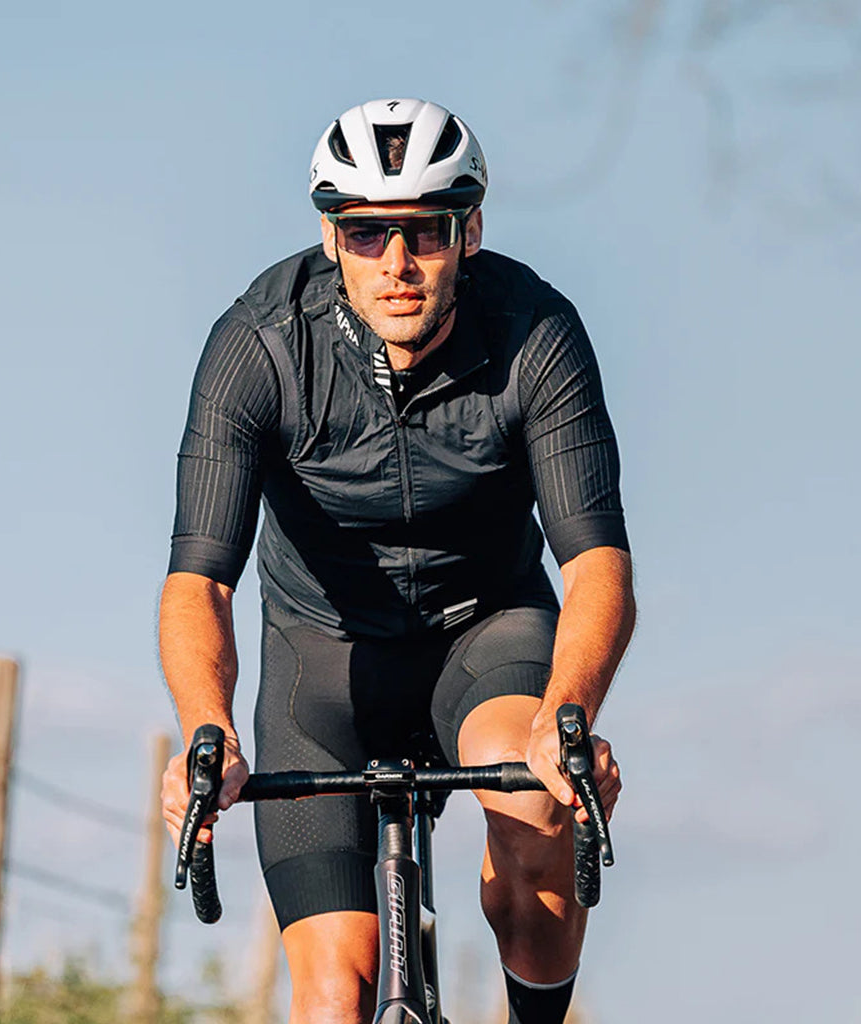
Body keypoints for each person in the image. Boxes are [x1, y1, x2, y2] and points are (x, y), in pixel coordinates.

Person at [159, 98, 636, 1024]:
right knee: (335, 996)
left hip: (487, 634)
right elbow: (197, 582)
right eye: (368, 234)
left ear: (471, 232)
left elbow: (598, 567)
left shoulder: (536, 334)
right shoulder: (258, 345)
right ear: (332, 240)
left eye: (424, 231)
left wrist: (567, 719)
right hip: (321, 658)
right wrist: (204, 730)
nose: (398, 264)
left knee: (537, 810)